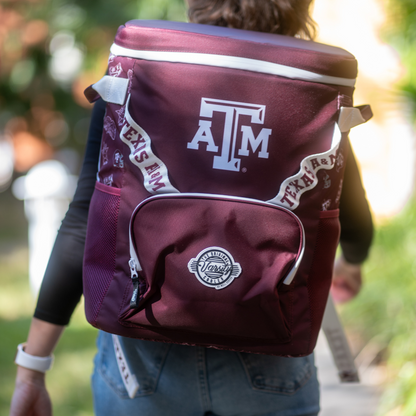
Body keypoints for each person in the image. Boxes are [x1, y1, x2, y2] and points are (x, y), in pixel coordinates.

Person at [10, 1, 373, 415]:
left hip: (143, 348)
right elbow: (353, 219)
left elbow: (82, 222)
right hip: (269, 349)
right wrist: (352, 263)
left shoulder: (143, 72)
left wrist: (32, 369)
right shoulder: (316, 97)